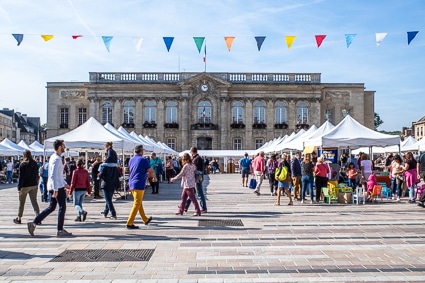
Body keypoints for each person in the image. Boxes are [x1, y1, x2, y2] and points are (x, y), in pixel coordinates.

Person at [27, 139, 72, 237]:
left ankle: (34, 223)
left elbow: (57, 176)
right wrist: (56, 189)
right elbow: (53, 175)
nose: (64, 147)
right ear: (60, 147)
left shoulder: (54, 157)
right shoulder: (56, 159)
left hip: (56, 185)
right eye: (63, 145)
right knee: (62, 207)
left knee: (52, 207)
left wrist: (65, 184)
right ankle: (60, 230)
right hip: (56, 187)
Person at [126, 144, 155, 229]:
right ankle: (129, 222)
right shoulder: (143, 159)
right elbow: (150, 170)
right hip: (139, 183)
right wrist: (154, 177)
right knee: (137, 203)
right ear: (141, 151)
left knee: (139, 202)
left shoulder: (131, 159)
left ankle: (145, 219)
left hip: (132, 183)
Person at [14, 150, 40, 224]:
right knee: (34, 202)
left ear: (24, 155)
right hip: (34, 185)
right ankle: (38, 218)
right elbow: (37, 175)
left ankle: (19, 218)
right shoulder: (35, 163)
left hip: (25, 186)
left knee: (21, 202)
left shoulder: (23, 164)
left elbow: (21, 177)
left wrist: (19, 188)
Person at [184, 147, 207, 213]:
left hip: (197, 178)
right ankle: (186, 206)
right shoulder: (198, 158)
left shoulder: (197, 159)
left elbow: (194, 169)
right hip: (197, 178)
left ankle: (204, 208)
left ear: (192, 152)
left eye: (190, 152)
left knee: (199, 193)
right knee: (192, 193)